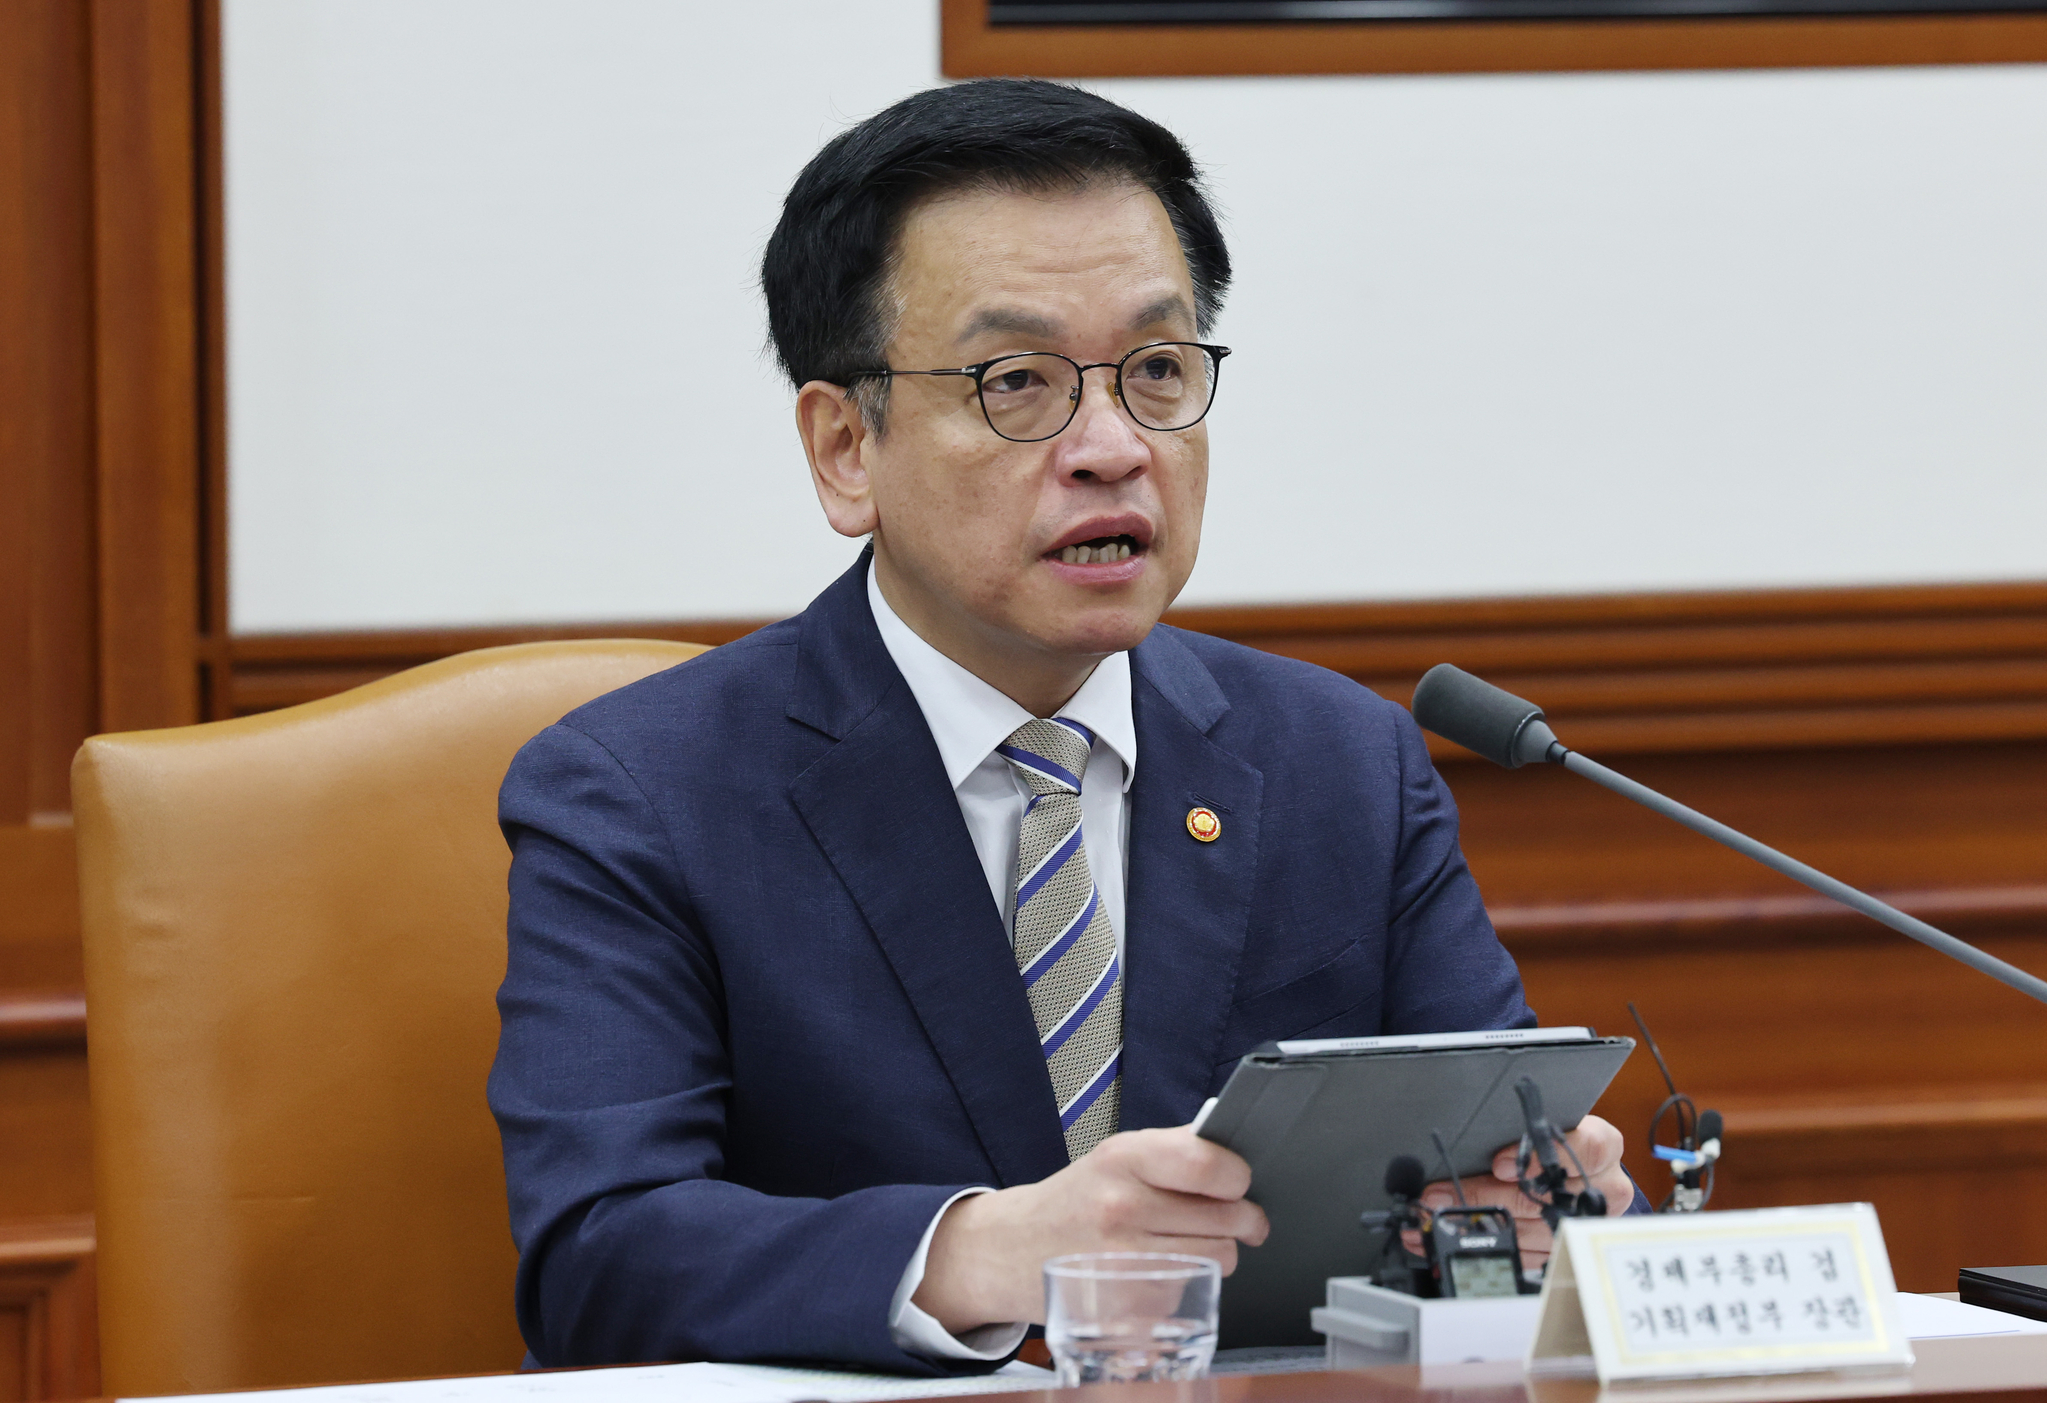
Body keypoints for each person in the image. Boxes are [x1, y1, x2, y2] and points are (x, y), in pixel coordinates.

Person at [487, 78, 1637, 1376]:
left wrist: (1539, 1212)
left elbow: (1487, 1152)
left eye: (1156, 371)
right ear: (843, 449)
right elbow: (598, 1258)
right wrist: (989, 1250)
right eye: (1017, 380)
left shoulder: (1338, 766)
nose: (1112, 446)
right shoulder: (643, 793)